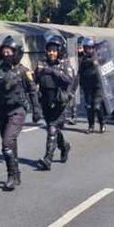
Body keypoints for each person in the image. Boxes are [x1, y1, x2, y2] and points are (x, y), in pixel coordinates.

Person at [0, 35, 42, 191]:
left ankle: (11, 176)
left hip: (17, 111)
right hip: (1, 111)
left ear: (16, 52)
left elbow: (33, 91)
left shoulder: (23, 72)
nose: (6, 54)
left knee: (6, 144)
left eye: (10, 51)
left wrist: (36, 110)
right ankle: (16, 173)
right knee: (10, 144)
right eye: (4, 51)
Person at [35, 33, 75, 169]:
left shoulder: (65, 64)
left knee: (52, 128)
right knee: (52, 129)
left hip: (60, 102)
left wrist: (53, 71)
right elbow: (34, 79)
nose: (52, 53)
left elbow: (69, 79)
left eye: (54, 50)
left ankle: (48, 158)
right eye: (50, 50)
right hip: (46, 101)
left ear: (59, 51)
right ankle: (64, 146)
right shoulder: (41, 63)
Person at [78, 37, 106, 133]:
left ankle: (102, 123)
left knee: (97, 106)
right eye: (87, 48)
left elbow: (106, 65)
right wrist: (80, 84)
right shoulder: (82, 60)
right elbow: (79, 72)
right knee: (89, 106)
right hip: (87, 86)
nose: (89, 50)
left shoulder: (98, 57)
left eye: (90, 48)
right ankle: (91, 126)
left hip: (98, 85)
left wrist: (98, 63)